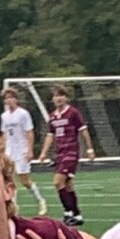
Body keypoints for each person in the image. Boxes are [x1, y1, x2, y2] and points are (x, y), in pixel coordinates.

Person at [37, 85, 95, 227]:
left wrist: (90, 149)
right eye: (56, 96)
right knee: (68, 185)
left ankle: (68, 212)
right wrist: (44, 152)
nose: (58, 98)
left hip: (71, 152)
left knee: (57, 182)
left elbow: (83, 130)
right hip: (59, 154)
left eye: (61, 95)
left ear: (66, 98)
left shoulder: (73, 113)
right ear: (53, 99)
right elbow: (50, 135)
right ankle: (77, 214)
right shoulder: (52, 117)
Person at [0, 87, 47, 216]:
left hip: (21, 149)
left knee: (24, 180)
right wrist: (2, 150)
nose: (9, 101)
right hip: (10, 151)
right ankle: (13, 209)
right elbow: (4, 134)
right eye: (6, 98)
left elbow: (29, 132)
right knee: (10, 180)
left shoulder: (23, 114)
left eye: (11, 98)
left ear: (15, 99)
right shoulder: (4, 116)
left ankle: (40, 200)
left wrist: (29, 150)